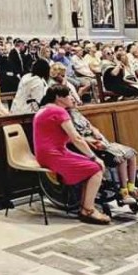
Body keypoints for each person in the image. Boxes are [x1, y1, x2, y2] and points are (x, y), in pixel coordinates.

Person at [33, 85, 109, 225]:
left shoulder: (45, 108)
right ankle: (88, 210)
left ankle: (85, 206)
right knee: (96, 168)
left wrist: (88, 140)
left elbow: (57, 135)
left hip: (46, 153)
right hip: (53, 155)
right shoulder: (58, 111)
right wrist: (94, 157)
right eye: (69, 96)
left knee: (91, 168)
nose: (72, 98)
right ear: (59, 98)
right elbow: (76, 138)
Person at [68, 103, 138, 204]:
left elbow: (90, 126)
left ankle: (131, 188)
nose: (73, 99)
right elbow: (74, 137)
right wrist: (91, 141)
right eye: (69, 97)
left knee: (131, 154)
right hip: (91, 146)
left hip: (99, 140)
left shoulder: (75, 112)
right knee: (120, 158)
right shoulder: (65, 117)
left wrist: (95, 131)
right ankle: (124, 192)